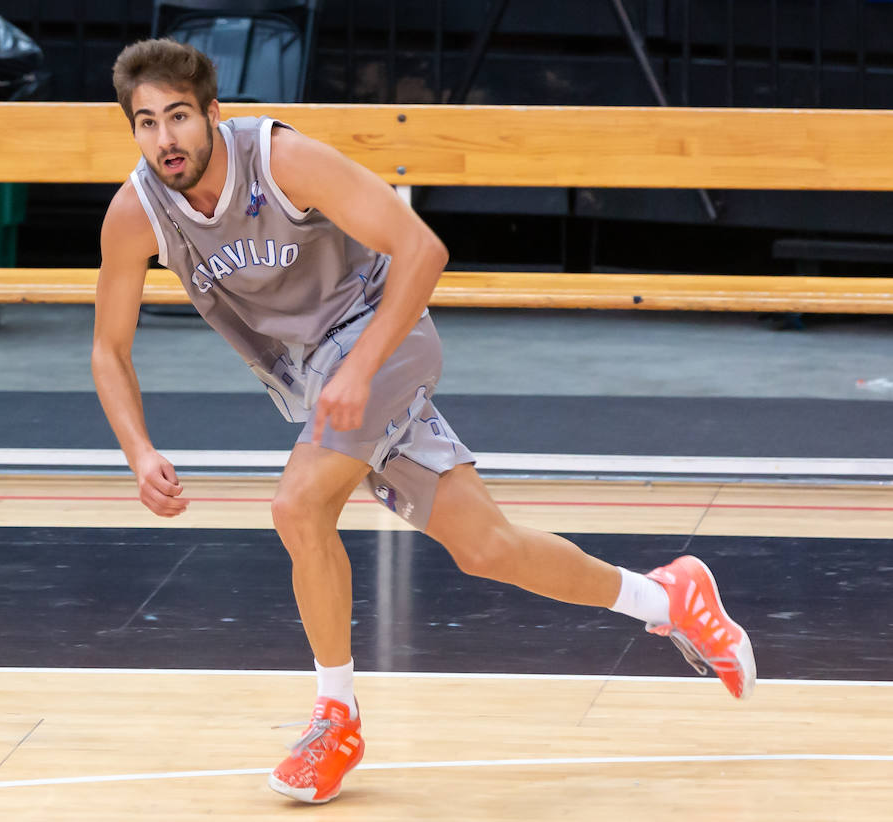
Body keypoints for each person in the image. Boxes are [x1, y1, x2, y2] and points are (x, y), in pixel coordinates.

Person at [92, 38, 756, 805]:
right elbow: (109, 349)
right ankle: (670, 598)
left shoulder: (281, 160)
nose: (165, 138)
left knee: (298, 503)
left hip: (385, 335)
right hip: (317, 381)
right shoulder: (137, 212)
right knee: (488, 547)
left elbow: (421, 248)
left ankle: (334, 716)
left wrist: (361, 367)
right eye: (146, 123)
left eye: (178, 116)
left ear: (213, 113)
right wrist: (138, 452)